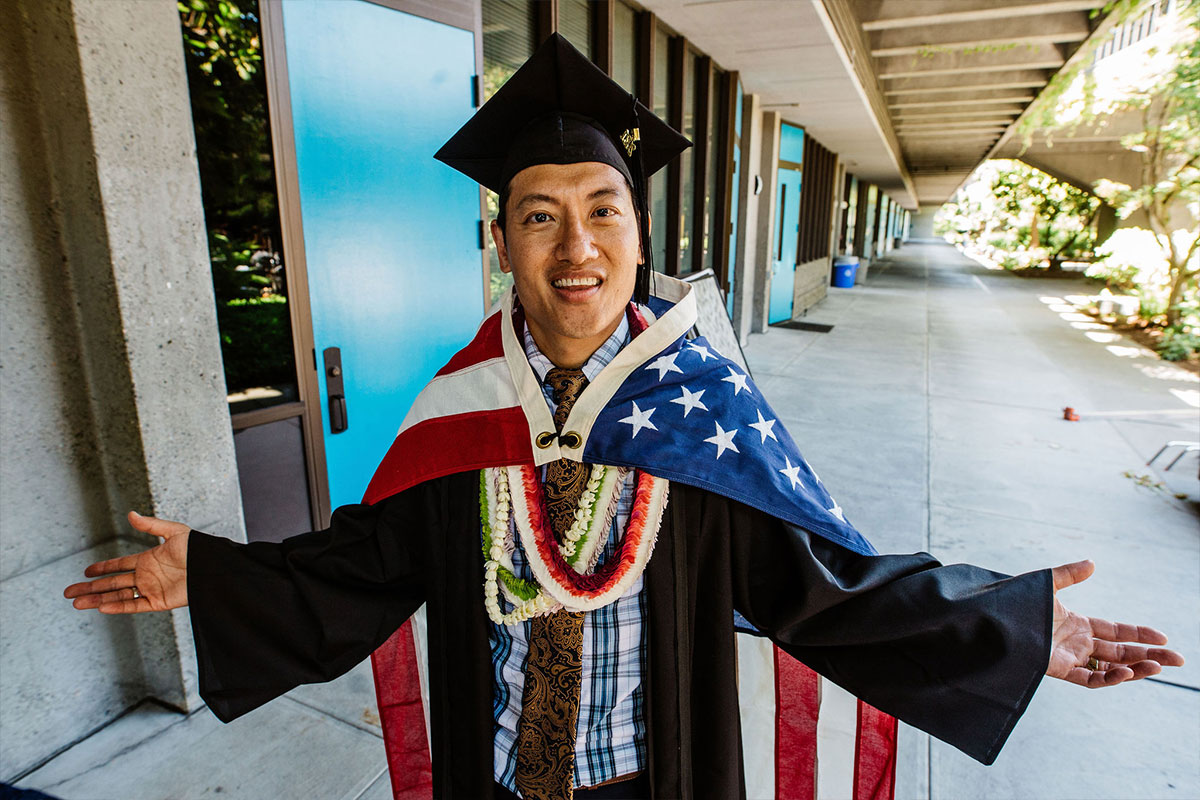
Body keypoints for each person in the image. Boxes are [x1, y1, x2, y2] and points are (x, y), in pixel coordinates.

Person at [65, 34, 1183, 800]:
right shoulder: (462, 411)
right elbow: (364, 568)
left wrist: (1015, 626)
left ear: (639, 237)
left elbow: (825, 585)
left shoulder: (701, 417)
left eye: (603, 211)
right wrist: (212, 576)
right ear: (502, 245)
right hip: (497, 776)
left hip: (659, 777)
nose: (575, 245)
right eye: (538, 216)